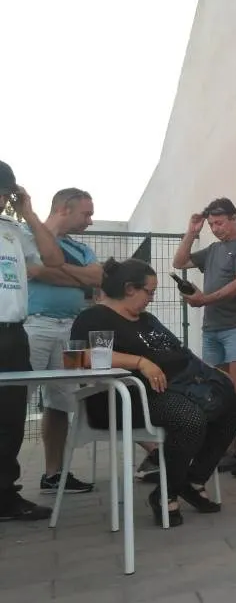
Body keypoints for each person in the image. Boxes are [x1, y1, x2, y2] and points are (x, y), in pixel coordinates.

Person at [70, 258, 236, 526]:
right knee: (189, 418)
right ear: (130, 288)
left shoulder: (146, 320)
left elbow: (179, 352)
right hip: (121, 398)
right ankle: (166, 493)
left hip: (169, 390)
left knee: (234, 406)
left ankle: (193, 480)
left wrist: (211, 373)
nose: (151, 299)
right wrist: (140, 362)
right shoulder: (96, 317)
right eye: (149, 292)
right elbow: (81, 357)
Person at [172, 197, 236, 477]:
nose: (215, 229)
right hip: (212, 328)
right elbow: (179, 262)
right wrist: (192, 232)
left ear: (235, 219)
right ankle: (230, 451)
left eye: (220, 223)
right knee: (219, 389)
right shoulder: (213, 249)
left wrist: (204, 300)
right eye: (212, 224)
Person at [0, 162, 66, 521]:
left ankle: (4, 496)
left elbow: (53, 259)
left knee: (11, 417)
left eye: (4, 193)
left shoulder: (13, 230)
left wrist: (28, 212)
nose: (0, 199)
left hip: (12, 333)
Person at [25, 188, 99, 496]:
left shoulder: (80, 247)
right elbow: (30, 269)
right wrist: (77, 278)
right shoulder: (25, 236)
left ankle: (53, 475)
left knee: (62, 402)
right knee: (13, 402)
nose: (90, 221)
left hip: (72, 331)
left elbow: (97, 279)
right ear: (64, 209)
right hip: (32, 326)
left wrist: (53, 270)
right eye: (86, 213)